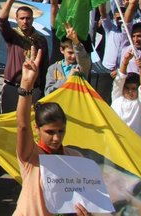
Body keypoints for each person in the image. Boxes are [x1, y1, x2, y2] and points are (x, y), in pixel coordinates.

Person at [13, 47, 89, 216]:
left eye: (61, 131)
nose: (57, 138)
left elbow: (85, 197)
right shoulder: (30, 156)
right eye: (50, 132)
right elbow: (22, 125)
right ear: (37, 129)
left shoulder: (76, 158)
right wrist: (26, 86)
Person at [0, 0, 49, 111]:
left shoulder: (41, 40)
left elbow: (44, 68)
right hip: (12, 88)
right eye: (22, 18)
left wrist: (42, 90)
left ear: (32, 19)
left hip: (33, 89)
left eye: (28, 18)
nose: (25, 21)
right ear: (16, 19)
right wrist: (10, 0)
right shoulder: (13, 36)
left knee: (29, 125)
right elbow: (2, 20)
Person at [44, 23, 90, 95]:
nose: (73, 56)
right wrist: (67, 79)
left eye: (75, 53)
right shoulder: (53, 68)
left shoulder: (80, 67)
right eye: (70, 52)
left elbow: (83, 59)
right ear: (62, 50)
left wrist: (76, 41)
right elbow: (48, 92)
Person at [111, 51, 141, 136]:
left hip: (133, 144)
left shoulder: (140, 103)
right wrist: (125, 60)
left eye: (133, 89)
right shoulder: (117, 97)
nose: (130, 91)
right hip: (115, 140)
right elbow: (120, 78)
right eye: (127, 88)